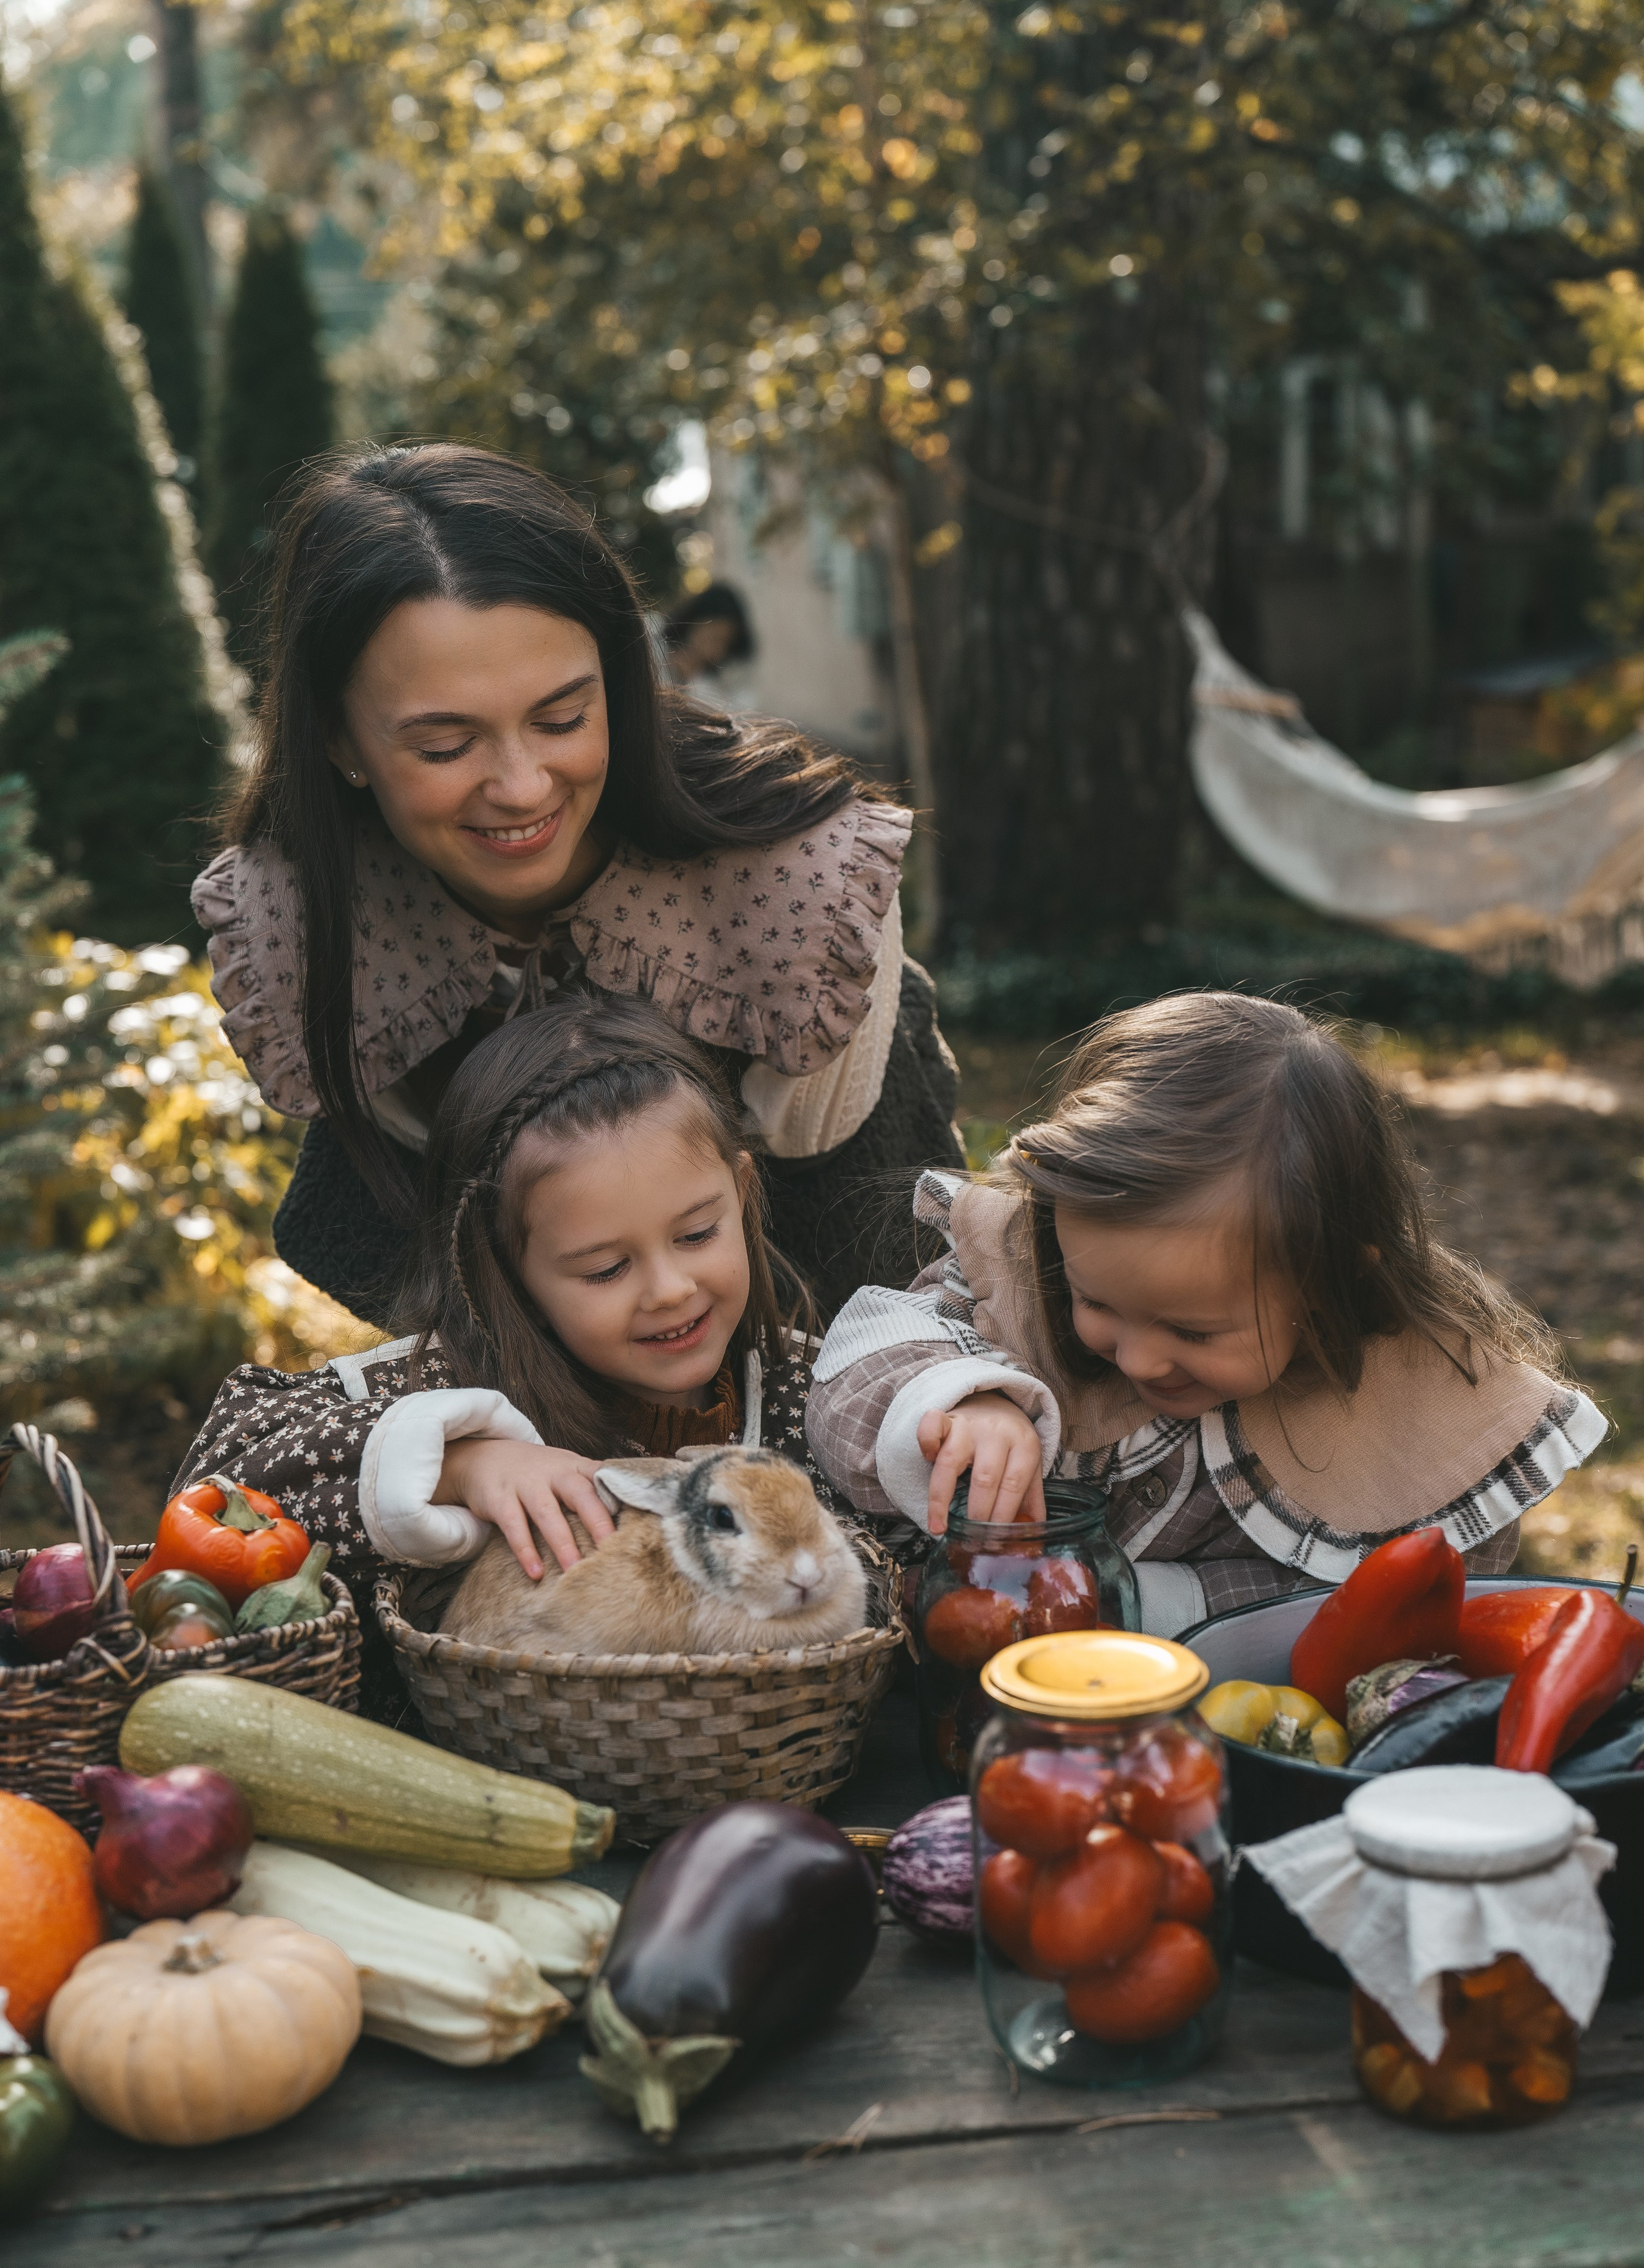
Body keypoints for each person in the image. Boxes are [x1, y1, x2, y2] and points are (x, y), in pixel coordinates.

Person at [193, 445, 961, 1326]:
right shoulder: (297, 921)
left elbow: (874, 1256)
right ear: (338, 741)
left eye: (562, 719)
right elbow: (414, 1265)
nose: (522, 789)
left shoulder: (799, 886)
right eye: (446, 746)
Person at [805, 991, 1605, 1637]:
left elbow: (1425, 1597)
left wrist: (1135, 1603)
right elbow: (854, 1372)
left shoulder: (1420, 1400)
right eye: (1097, 1302)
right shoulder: (1013, 1278)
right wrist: (962, 1398)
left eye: (1192, 1331)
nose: (1138, 1359)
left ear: (1326, 1287)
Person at [177, 996, 841, 1606]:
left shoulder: (819, 1394)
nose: (671, 1289)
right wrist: (460, 1465)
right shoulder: (449, 1390)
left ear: (741, 1193)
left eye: (697, 1235)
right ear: (507, 1270)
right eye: (606, 1269)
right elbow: (215, 1483)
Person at [659, 581, 755, 692]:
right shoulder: (653, 641)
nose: (717, 649)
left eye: (725, 643)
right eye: (715, 637)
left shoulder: (712, 688)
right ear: (696, 620)